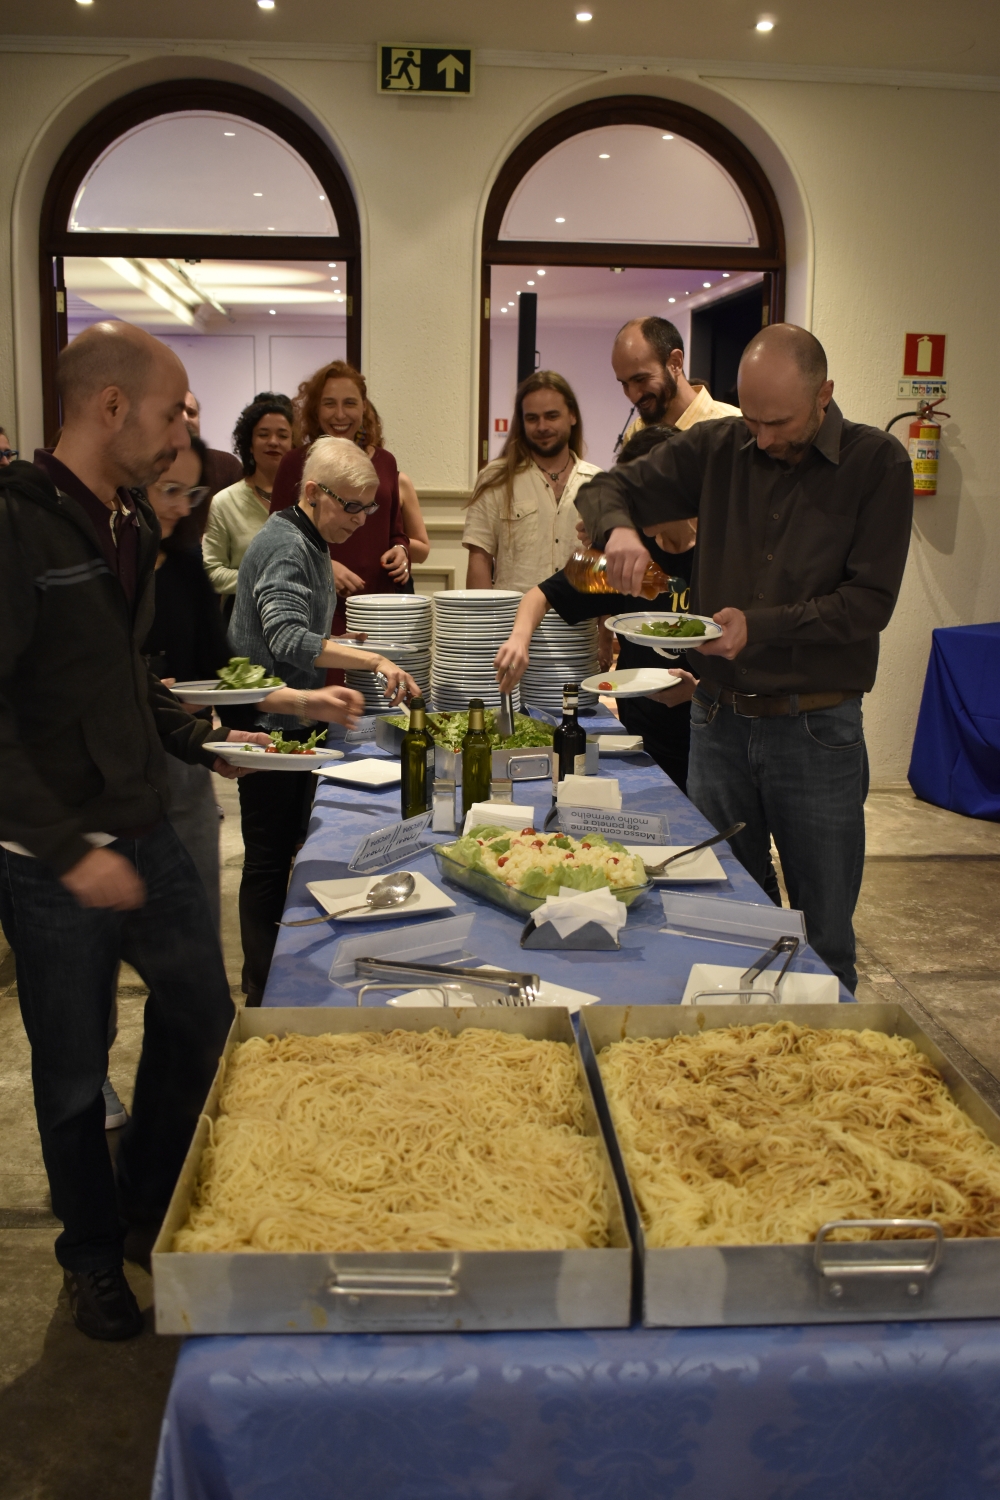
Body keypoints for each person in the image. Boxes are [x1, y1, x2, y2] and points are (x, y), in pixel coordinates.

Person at [0, 322, 278, 1341]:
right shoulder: (16, 526)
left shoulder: (123, 523)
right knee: (75, 1071)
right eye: (169, 415)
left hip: (142, 826)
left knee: (202, 1017)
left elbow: (123, 680)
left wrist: (203, 740)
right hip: (52, 860)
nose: (180, 438)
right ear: (110, 406)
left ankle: (143, 1204)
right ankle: (88, 1258)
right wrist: (68, 852)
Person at [575, 324, 914, 992]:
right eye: (751, 419)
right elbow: (603, 491)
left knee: (823, 938)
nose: (761, 438)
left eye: (778, 422)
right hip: (718, 722)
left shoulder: (877, 464)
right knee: (721, 919)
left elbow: (867, 605)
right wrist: (619, 529)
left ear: (824, 395)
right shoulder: (720, 446)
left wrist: (755, 629)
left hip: (815, 728)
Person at [229, 436, 420, 1004]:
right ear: (313, 492)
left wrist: (341, 641)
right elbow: (286, 639)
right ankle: (262, 989)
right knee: (269, 860)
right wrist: (374, 659)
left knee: (287, 850)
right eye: (352, 506)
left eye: (370, 507)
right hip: (268, 726)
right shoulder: (289, 545)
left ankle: (271, 977)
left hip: (293, 716)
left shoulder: (307, 538)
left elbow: (293, 627)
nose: (362, 520)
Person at [494, 425, 699, 789]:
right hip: (641, 738)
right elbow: (539, 595)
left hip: (708, 736)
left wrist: (698, 690)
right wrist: (519, 640)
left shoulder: (722, 551)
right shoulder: (628, 551)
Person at [143, 434, 231, 929]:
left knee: (196, 931)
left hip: (182, 759)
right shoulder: (104, 567)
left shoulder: (185, 564)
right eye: (169, 489)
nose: (181, 507)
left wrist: (298, 702)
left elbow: (220, 664)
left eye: (192, 493)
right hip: (113, 769)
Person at [269, 362, 412, 633]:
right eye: (329, 404)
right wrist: (323, 568)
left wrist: (401, 551)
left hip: (379, 605)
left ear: (363, 407)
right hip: (319, 606)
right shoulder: (294, 463)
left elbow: (396, 532)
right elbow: (277, 539)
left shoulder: (385, 462)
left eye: (349, 403)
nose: (340, 414)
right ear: (316, 409)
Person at [463, 371, 601, 593]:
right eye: (532, 418)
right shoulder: (495, 478)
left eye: (552, 416)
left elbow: (608, 565)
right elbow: (479, 560)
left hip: (579, 615)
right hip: (513, 614)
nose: (542, 426)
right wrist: (482, 615)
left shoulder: (597, 483)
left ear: (572, 416)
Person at [202, 392, 294, 612]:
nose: (273, 442)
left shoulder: (307, 500)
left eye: (282, 435)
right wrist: (264, 581)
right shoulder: (225, 503)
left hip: (299, 613)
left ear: (293, 443)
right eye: (263, 434)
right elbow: (211, 571)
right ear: (250, 444)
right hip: (242, 618)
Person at [613, 315, 741, 460]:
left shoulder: (735, 430)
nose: (633, 395)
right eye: (624, 383)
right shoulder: (636, 432)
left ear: (675, 363)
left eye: (641, 379)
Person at [183, 390, 242, 509]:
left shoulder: (228, 466)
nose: (185, 419)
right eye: (177, 412)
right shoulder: (151, 467)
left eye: (191, 413)